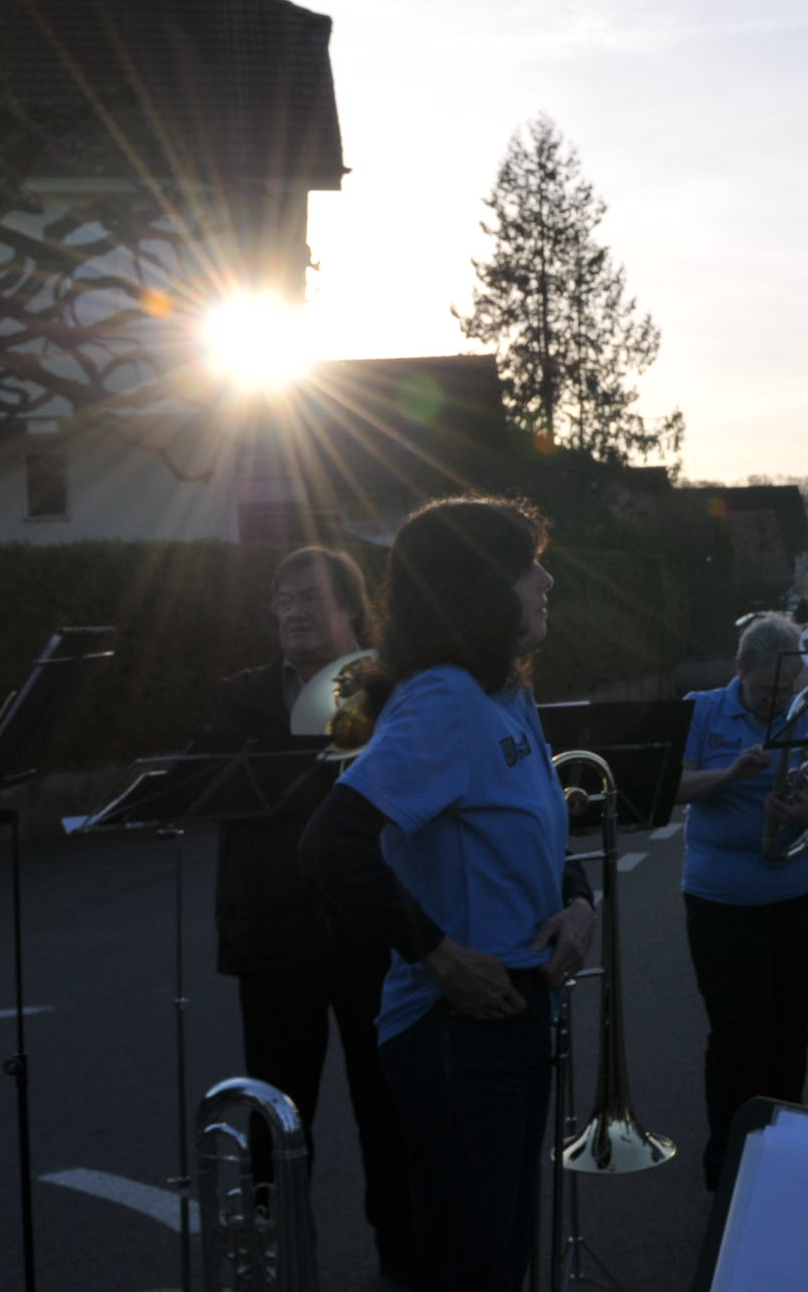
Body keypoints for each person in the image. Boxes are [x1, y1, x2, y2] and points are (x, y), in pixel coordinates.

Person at [301, 497, 594, 1292]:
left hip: (516, 1009)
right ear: (476, 588)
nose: (546, 578)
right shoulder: (443, 698)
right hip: (458, 1030)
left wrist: (577, 902)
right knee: (472, 1269)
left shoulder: (506, 693)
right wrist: (435, 954)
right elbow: (333, 839)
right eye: (525, 564)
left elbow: (529, 831)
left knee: (501, 1259)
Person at [203, 546, 412, 1279]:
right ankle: (283, 1263)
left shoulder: (391, 688)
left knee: (387, 1113)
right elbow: (209, 787)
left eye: (307, 597)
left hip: (369, 928)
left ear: (351, 607)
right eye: (281, 599)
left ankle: (403, 1262)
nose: (289, 610)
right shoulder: (240, 696)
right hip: (273, 934)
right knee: (275, 1120)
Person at [673, 615, 808, 1190]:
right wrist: (731, 772)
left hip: (805, 891)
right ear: (740, 672)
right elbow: (672, 787)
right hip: (722, 902)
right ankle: (728, 1160)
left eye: (783, 692)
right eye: (765, 692)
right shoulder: (703, 709)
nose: (775, 703)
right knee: (736, 1033)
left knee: (792, 1028)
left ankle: (784, 1148)